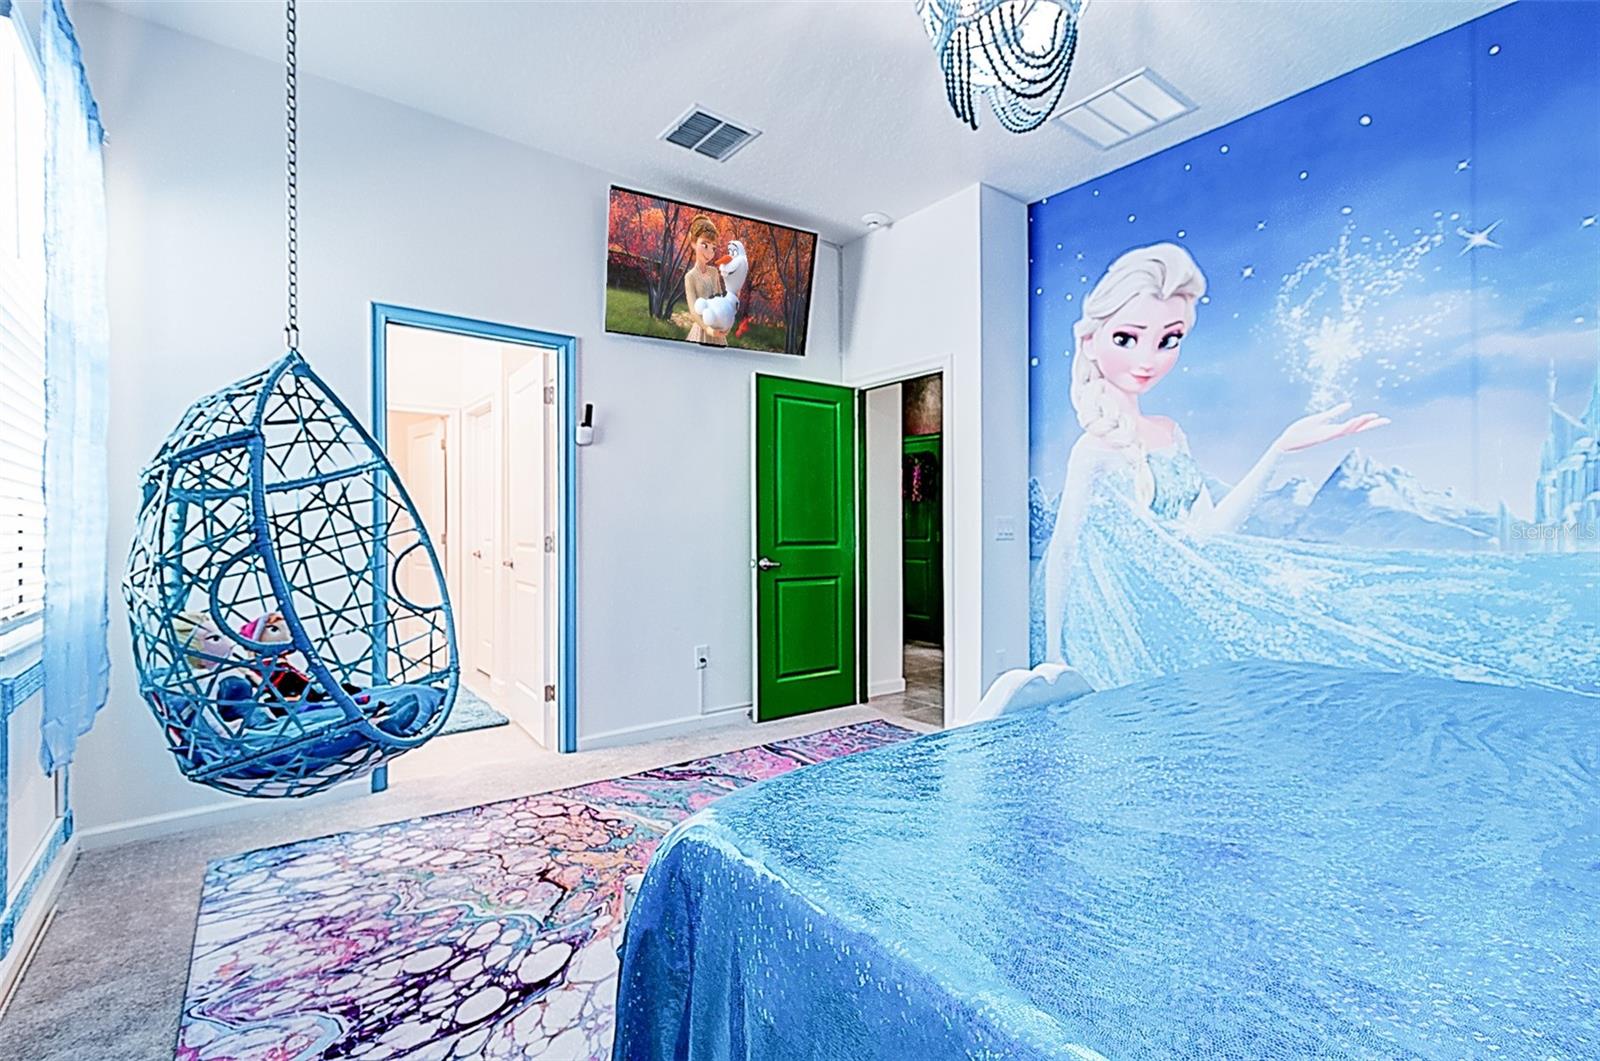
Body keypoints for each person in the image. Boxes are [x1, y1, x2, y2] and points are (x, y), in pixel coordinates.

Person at [1039, 242, 1599, 694]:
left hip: (1175, 624)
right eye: (1127, 338)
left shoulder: (1170, 433)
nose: (1147, 359)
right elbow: (1063, 551)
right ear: (1090, 341)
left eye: (1169, 340)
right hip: (1121, 631)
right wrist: (1054, 656)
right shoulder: (1093, 450)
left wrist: (1279, 450)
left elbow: (1208, 535)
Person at [683, 215, 728, 346]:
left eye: (713, 248)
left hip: (717, 326)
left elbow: (721, 300)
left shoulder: (714, 272)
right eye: (704, 245)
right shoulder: (690, 277)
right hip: (702, 329)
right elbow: (693, 311)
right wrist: (708, 329)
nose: (709, 253)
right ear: (693, 243)